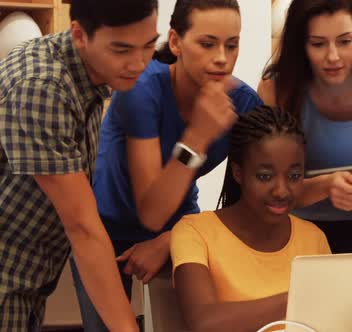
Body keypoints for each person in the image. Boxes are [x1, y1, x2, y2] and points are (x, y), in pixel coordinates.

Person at [69, 0, 263, 330]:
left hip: (179, 227)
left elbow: (253, 201)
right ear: (175, 42)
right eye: (207, 43)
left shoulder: (243, 104)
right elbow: (151, 211)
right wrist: (198, 136)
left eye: (232, 45)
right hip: (102, 230)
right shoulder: (141, 88)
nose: (222, 57)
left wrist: (172, 237)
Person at [0, 1, 159, 330]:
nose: (139, 63)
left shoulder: (86, 72)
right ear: (80, 35)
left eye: (148, 45)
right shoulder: (43, 87)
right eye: (122, 49)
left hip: (25, 277)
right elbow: (83, 230)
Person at [258, 0, 352, 254]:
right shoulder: (275, 90)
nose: (333, 56)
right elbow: (267, 187)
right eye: (318, 44)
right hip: (294, 227)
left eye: (345, 41)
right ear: (300, 45)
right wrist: (327, 186)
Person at [170, 105, 331, 331]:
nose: (281, 191)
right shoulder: (195, 232)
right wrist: (303, 299)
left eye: (294, 176)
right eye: (265, 176)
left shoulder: (313, 238)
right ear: (238, 173)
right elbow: (204, 322)